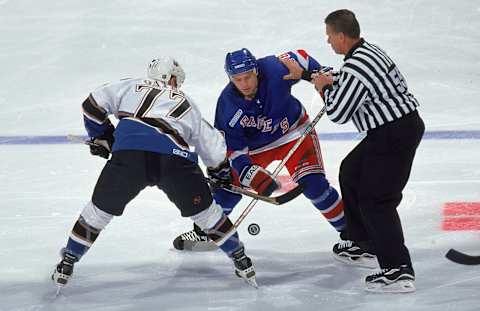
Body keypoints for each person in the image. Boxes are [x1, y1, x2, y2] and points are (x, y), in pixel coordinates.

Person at [51, 56, 257, 290]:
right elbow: (212, 145)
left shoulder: (130, 85)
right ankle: (241, 259)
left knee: (98, 212)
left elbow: (91, 105)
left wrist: (103, 136)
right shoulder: (187, 101)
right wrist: (219, 173)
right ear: (170, 78)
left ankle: (68, 260)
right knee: (208, 216)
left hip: (130, 157)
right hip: (175, 161)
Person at [282, 9, 425, 293]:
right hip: (393, 129)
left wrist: (322, 89)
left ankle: (398, 270)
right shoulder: (368, 52)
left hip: (393, 135)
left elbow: (338, 111)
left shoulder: (357, 67)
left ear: (341, 36)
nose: (328, 42)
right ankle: (364, 244)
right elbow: (342, 79)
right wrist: (310, 75)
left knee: (376, 200)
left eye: (329, 37)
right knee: (351, 170)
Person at [173, 48, 347, 253]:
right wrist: (249, 173)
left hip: (294, 133)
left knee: (314, 185)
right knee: (228, 187)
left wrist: (323, 79)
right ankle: (206, 232)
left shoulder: (274, 68)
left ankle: (354, 233)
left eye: (248, 77)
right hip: (255, 148)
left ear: (256, 70)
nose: (244, 84)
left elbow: (303, 57)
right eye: (237, 79)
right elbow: (233, 149)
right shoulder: (227, 106)